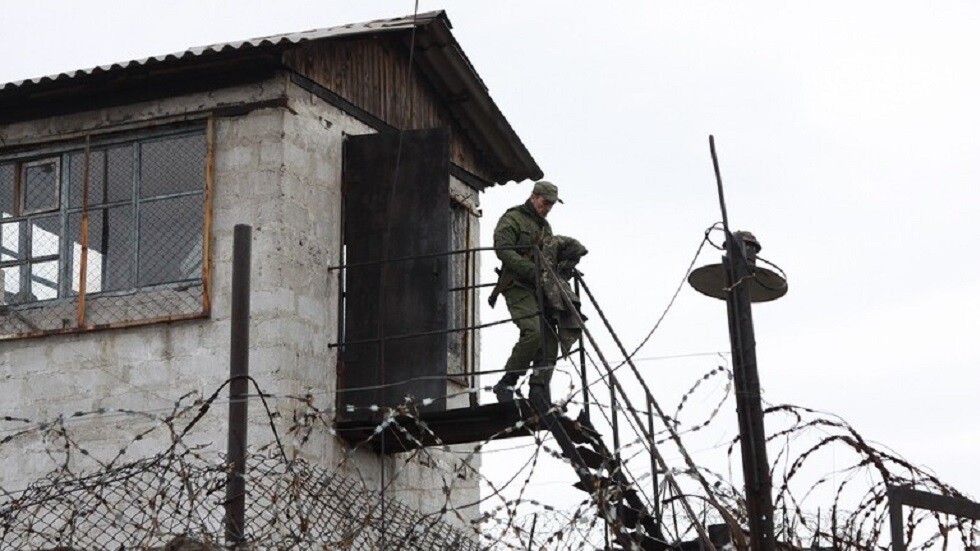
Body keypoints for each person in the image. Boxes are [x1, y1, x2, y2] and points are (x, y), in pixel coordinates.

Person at [489, 180, 563, 405]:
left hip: (540, 289)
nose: (547, 208)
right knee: (533, 332)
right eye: (545, 202)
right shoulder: (513, 218)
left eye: (551, 204)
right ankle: (508, 381)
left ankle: (538, 388)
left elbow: (549, 256)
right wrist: (530, 270)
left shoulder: (545, 228)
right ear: (533, 197)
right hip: (516, 285)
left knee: (550, 339)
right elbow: (503, 249)